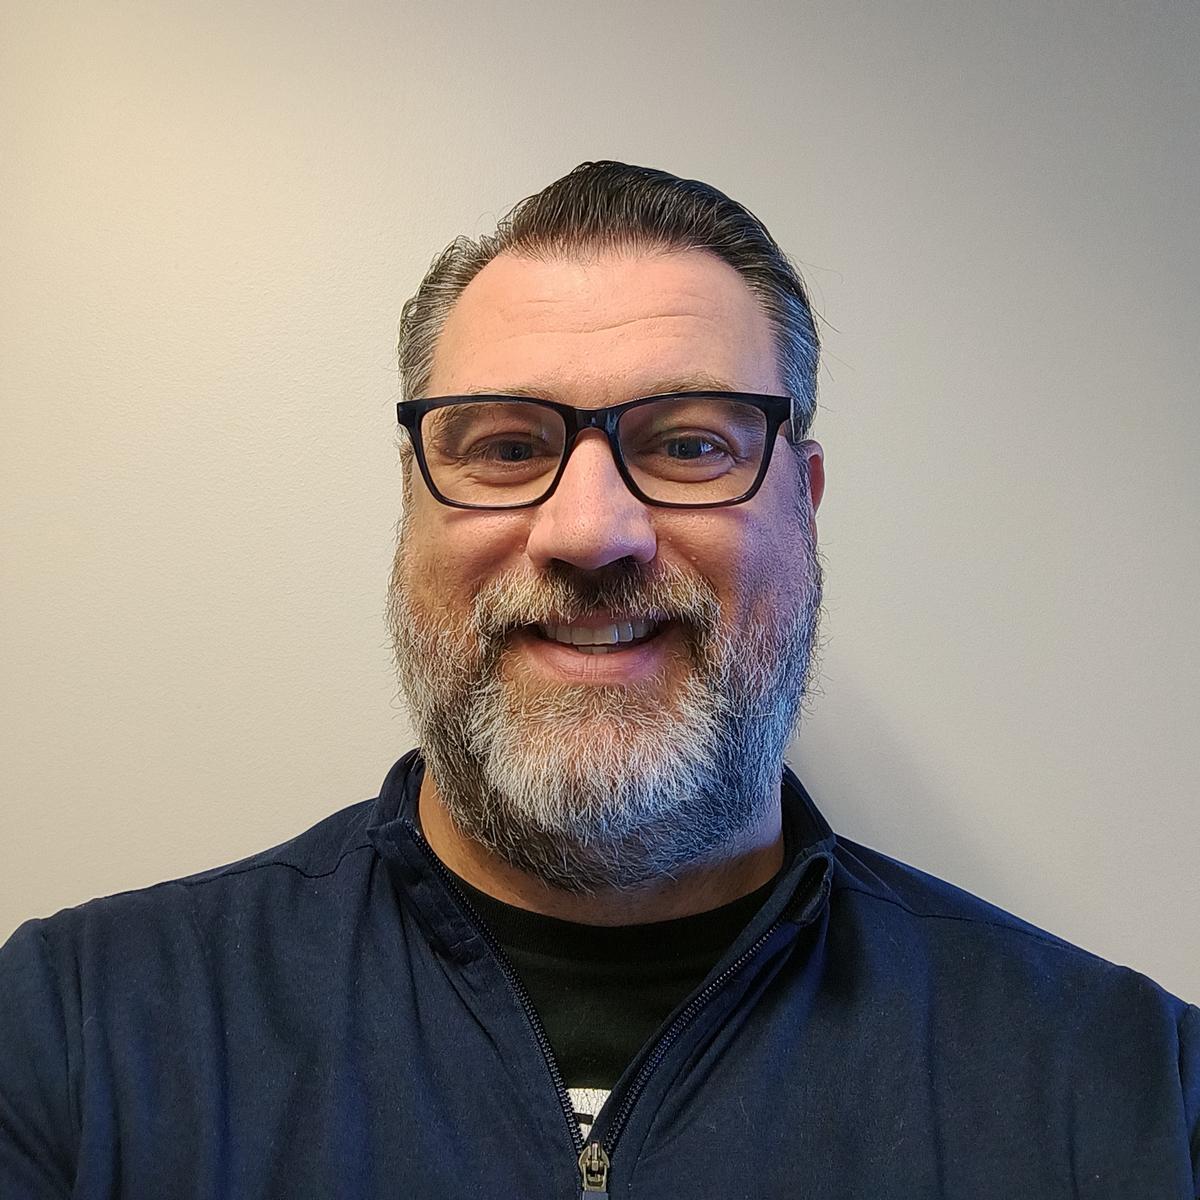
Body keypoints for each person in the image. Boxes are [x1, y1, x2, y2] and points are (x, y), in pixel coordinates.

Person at [1, 161, 1196, 1199]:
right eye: (506, 447)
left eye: (689, 444)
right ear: (412, 506)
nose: (589, 530)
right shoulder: (75, 1036)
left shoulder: (1130, 1088)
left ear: (806, 503)